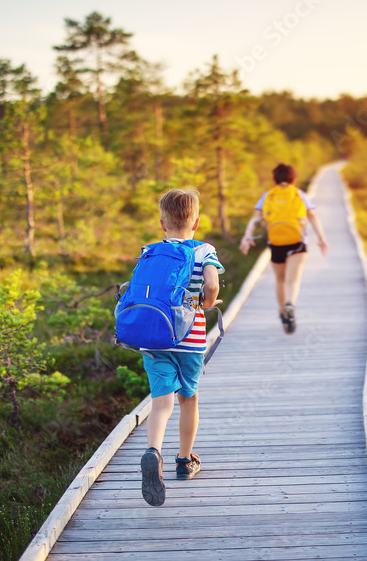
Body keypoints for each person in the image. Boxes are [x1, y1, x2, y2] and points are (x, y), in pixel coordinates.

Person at [140, 189, 224, 507]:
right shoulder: (203, 250)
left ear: (163, 224)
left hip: (155, 338)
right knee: (188, 399)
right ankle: (184, 461)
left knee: (161, 402)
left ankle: (153, 451)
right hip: (189, 340)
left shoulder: (150, 250)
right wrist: (207, 301)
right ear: (196, 222)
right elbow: (212, 284)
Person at [239, 163, 328, 334]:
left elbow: (255, 219)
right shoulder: (299, 194)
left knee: (280, 279)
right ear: (293, 180)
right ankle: (290, 304)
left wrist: (247, 236)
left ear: (274, 180)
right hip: (298, 242)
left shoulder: (267, 195)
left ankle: (282, 313)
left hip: (276, 243)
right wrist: (322, 239)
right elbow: (312, 216)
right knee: (292, 279)